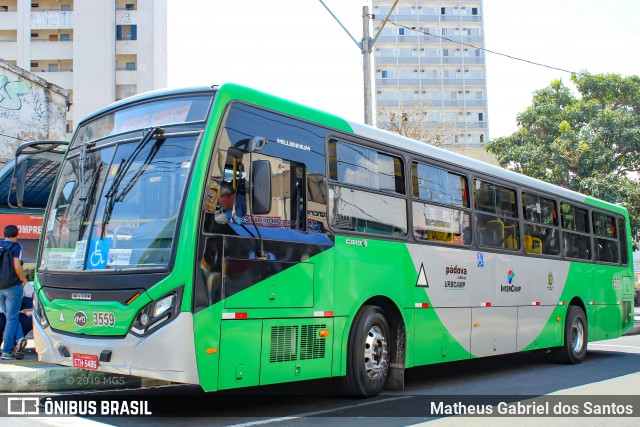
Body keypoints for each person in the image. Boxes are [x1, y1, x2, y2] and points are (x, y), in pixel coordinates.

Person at [0, 225, 28, 360]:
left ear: (4, 234)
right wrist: (24, 279)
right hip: (12, 287)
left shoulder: (0, 245)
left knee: (9, 317)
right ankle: (7, 351)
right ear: (17, 234)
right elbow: (17, 266)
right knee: (12, 318)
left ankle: (19, 338)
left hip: (0, 288)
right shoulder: (16, 247)